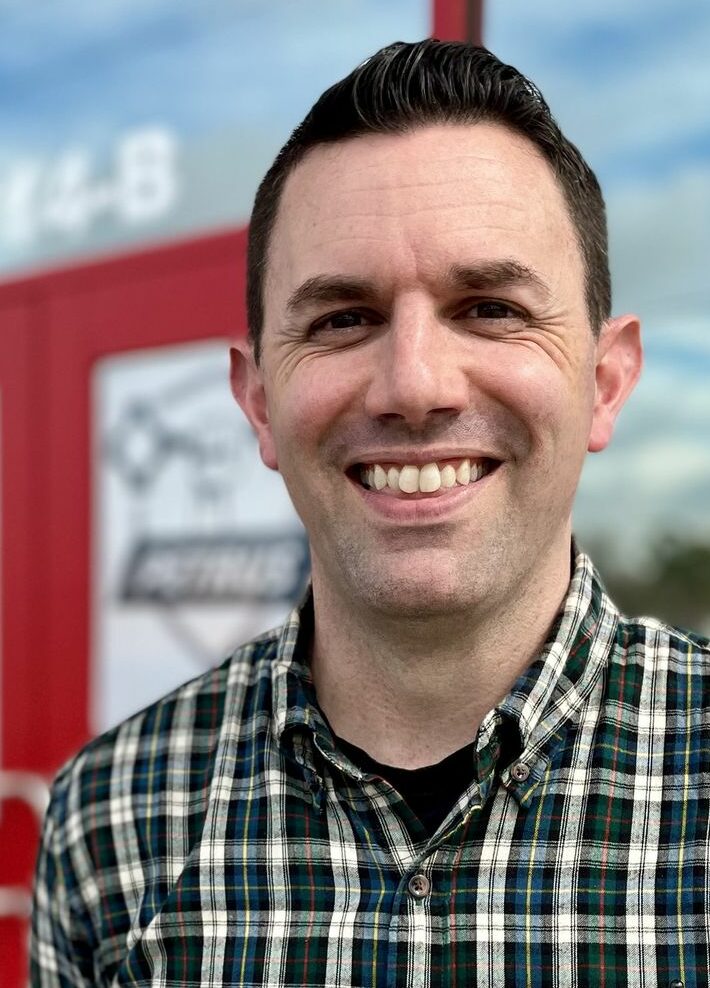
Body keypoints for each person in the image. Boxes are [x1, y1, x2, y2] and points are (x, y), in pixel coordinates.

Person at [31, 39, 709, 987]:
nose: (414, 385)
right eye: (343, 319)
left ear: (604, 381)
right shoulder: (111, 822)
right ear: (258, 401)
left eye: (490, 308)